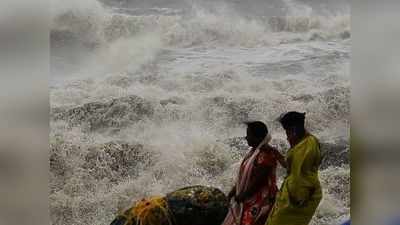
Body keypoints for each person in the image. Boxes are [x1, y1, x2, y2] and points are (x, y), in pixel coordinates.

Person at [222, 121, 286, 225]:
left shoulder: (266, 154)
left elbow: (259, 180)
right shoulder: (254, 152)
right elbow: (244, 177)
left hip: (261, 200)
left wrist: (243, 195)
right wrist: (233, 192)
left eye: (248, 135)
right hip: (251, 197)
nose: (246, 138)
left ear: (257, 138)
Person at [265, 112, 322, 225]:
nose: (286, 136)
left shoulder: (306, 146)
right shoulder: (306, 141)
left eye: (287, 132)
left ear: (294, 130)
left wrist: (294, 199)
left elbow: (299, 175)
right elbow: (290, 166)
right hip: (298, 194)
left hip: (301, 197)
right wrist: (276, 153)